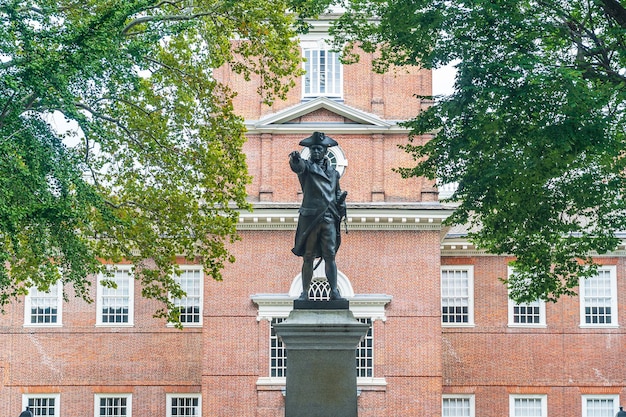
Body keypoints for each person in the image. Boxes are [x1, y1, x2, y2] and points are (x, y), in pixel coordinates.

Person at [289, 132, 347, 301]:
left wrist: (341, 202)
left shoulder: (333, 174)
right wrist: (295, 159)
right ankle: (305, 292)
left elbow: (336, 194)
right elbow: (297, 167)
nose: (315, 152)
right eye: (313, 149)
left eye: (318, 149)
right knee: (308, 256)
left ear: (324, 151)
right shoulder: (306, 167)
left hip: (329, 217)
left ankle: (334, 292)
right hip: (311, 218)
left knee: (330, 255)